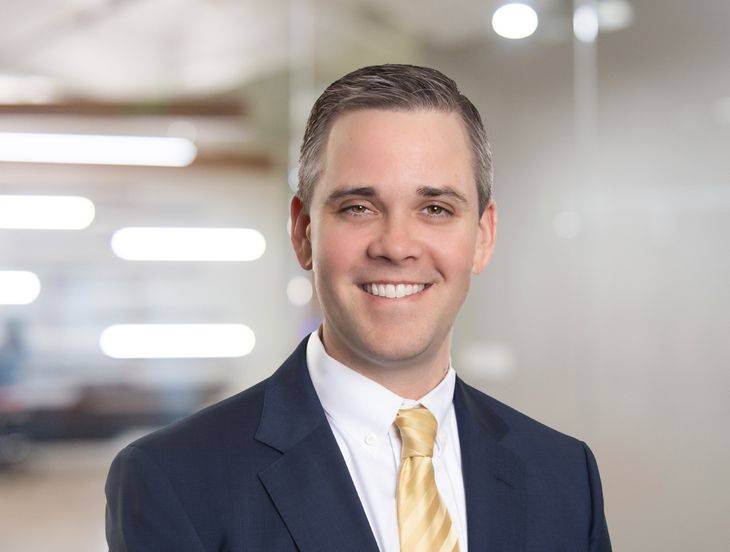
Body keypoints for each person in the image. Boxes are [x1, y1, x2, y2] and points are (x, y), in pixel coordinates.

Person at [105, 64, 612, 551]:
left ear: (483, 236)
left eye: (435, 209)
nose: (396, 246)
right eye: (358, 208)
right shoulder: (176, 480)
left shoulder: (565, 475)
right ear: (303, 232)